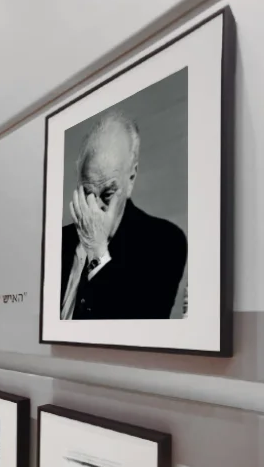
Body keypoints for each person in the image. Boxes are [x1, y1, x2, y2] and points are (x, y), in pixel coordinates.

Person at [60, 111, 187, 320]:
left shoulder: (165, 243)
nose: (95, 206)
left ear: (131, 178)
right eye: (87, 192)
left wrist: (97, 253)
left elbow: (139, 328)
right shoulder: (60, 241)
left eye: (107, 194)